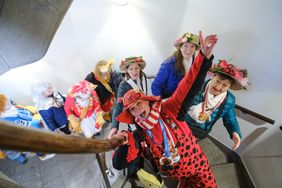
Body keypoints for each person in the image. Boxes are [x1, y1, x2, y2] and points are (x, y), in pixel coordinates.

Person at [112, 31, 218, 187]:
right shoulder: (139, 134)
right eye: (132, 109)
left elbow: (188, 84)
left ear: (147, 101)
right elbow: (119, 164)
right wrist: (122, 143)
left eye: (139, 103)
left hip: (198, 166)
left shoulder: (170, 108)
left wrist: (203, 57)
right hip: (176, 173)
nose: (137, 109)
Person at [185, 60, 250, 150]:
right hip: (182, 125)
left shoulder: (229, 100)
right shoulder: (197, 86)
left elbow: (230, 119)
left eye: (224, 85)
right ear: (213, 76)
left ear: (229, 86)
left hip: (200, 132)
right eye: (217, 82)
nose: (218, 87)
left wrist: (235, 132)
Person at [106, 56, 148, 179]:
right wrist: (114, 127)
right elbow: (117, 107)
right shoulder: (124, 85)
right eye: (131, 69)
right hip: (134, 122)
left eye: (136, 68)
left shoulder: (143, 78)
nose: (134, 71)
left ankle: (142, 162)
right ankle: (133, 174)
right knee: (135, 148)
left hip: (145, 117)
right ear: (126, 71)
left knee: (145, 144)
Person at [151, 32, 200, 99]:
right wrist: (162, 102)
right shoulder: (169, 64)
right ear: (180, 47)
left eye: (192, 46)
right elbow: (155, 86)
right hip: (170, 99)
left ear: (195, 49)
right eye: (186, 46)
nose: (189, 49)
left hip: (187, 100)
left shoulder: (196, 63)